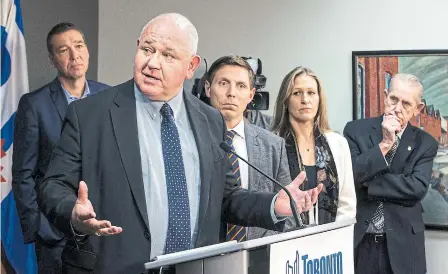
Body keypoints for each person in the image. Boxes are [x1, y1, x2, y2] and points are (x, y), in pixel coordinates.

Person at [38, 13, 322, 273]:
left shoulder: (210, 120)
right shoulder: (90, 114)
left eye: (168, 55)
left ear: (191, 66)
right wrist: (74, 214)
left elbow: (226, 197)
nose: (152, 63)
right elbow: (53, 186)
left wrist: (275, 204)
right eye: (147, 49)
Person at [12, 22, 109, 273]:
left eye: (79, 46)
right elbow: (24, 173)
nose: (74, 55)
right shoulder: (34, 105)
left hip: (104, 229)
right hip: (56, 234)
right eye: (63, 50)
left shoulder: (109, 98)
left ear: (87, 50)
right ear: (52, 59)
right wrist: (40, 228)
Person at [343, 73, 438, 274]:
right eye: (393, 99)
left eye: (406, 104)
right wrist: (385, 145)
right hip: (361, 242)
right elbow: (350, 177)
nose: (397, 108)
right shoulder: (355, 130)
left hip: (404, 246)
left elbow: (416, 188)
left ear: (417, 109)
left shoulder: (426, 143)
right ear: (386, 96)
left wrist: (369, 184)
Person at [204, 55, 291, 240]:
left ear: (251, 95)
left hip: (258, 256)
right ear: (207, 88)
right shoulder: (192, 139)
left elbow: (284, 210)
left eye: (241, 86)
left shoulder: (274, 145)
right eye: (223, 83)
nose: (231, 93)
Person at [271, 66, 356, 226]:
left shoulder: (338, 143)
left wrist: (332, 241)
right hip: (283, 242)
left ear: (319, 98)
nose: (305, 100)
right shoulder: (272, 143)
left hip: (330, 244)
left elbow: (347, 205)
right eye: (297, 93)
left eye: (311, 93)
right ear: (286, 100)